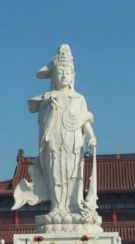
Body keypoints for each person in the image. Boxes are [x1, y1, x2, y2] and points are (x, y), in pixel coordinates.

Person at [12, 44, 97, 219]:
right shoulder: (49, 99)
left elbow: (85, 119)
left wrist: (91, 136)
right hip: (54, 140)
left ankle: (74, 205)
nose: (64, 75)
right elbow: (42, 121)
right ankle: (58, 207)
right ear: (53, 76)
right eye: (60, 72)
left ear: (73, 75)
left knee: (74, 174)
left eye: (68, 72)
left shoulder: (79, 98)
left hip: (74, 141)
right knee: (56, 174)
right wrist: (51, 109)